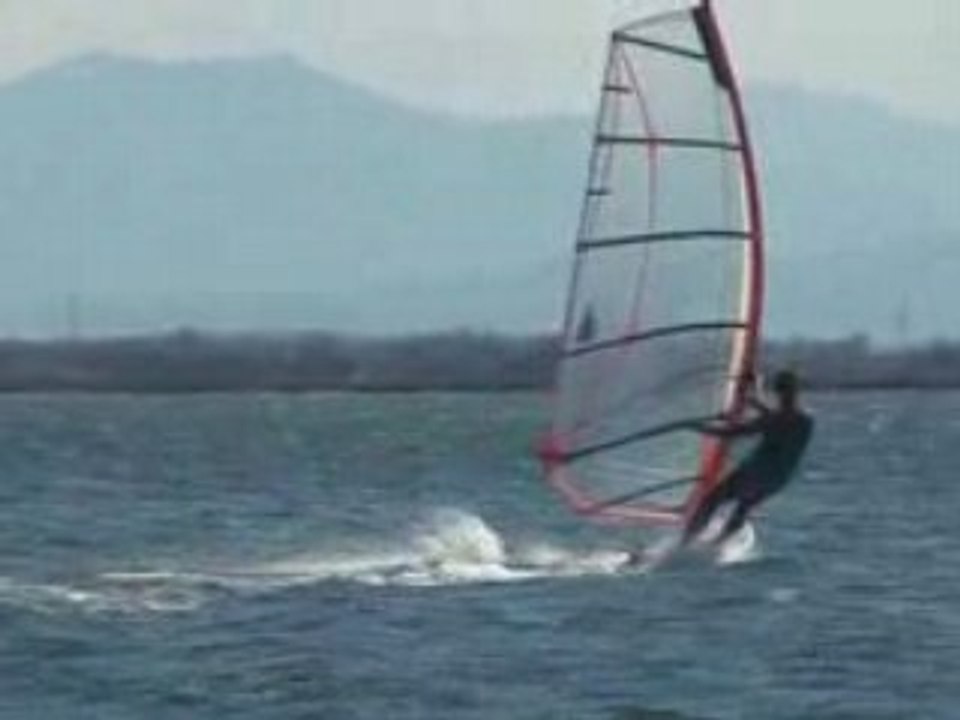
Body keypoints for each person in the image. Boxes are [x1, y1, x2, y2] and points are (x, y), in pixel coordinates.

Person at [681, 369, 814, 548]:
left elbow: (731, 432)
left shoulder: (772, 420)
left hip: (755, 474)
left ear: (777, 391)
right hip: (779, 479)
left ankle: (683, 544)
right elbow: (778, 418)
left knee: (712, 501)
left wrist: (698, 427)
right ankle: (718, 544)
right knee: (744, 507)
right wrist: (755, 397)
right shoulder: (807, 420)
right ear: (797, 391)